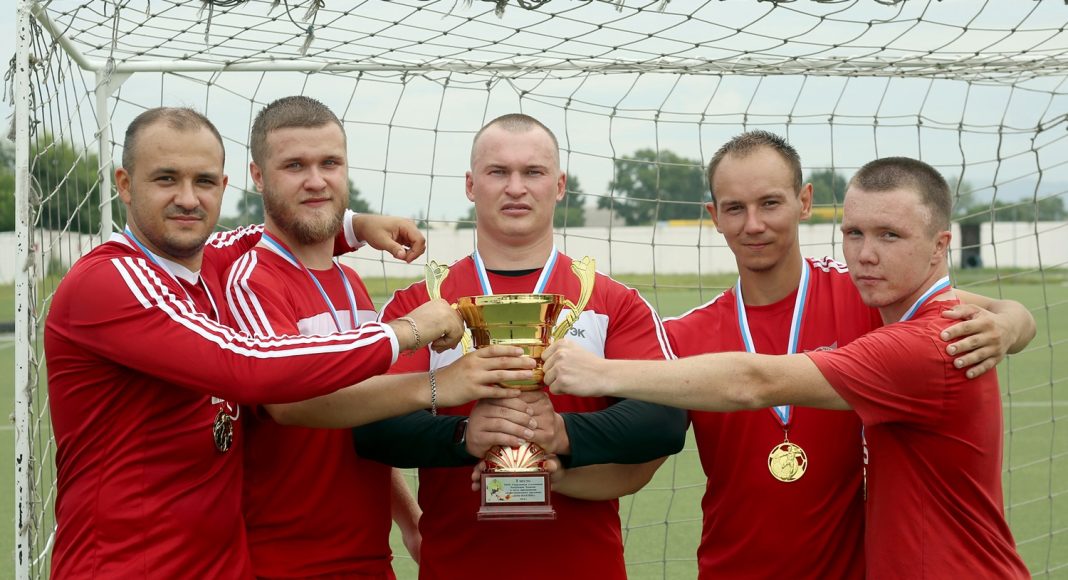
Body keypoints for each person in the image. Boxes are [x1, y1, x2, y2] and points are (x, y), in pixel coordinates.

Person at [542, 156, 1032, 579]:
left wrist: (1011, 321)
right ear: (714, 216)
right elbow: (637, 466)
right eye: (735, 207)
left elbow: (754, 382)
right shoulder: (684, 336)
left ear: (803, 202)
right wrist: (557, 477)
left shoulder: (878, 306)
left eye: (770, 203)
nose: (754, 224)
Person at [44, 107, 470, 579]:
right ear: (124, 185)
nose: (187, 199)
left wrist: (352, 226)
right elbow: (248, 366)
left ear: (224, 188)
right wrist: (409, 334)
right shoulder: (111, 280)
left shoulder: (206, 265)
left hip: (223, 565)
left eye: (204, 182)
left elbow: (266, 232)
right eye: (166, 179)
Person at [350, 113, 688, 579]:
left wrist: (562, 434)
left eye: (533, 172)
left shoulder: (612, 301)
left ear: (560, 184)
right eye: (497, 172)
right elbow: (369, 428)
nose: (515, 187)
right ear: (471, 185)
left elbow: (665, 421)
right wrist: (462, 437)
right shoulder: (421, 305)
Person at [223, 96, 534, 578]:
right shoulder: (251, 280)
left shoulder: (350, 283)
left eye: (330, 163)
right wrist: (439, 385)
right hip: (282, 562)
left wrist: (409, 520)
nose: (316, 180)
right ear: (258, 177)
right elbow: (288, 399)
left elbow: (359, 411)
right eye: (293, 165)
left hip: (367, 558)